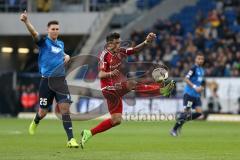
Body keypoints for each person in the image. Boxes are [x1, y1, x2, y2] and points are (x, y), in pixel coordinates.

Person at [80, 32, 175, 148]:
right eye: (117, 42)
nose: (119, 44)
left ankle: (88, 133)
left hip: (116, 90)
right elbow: (100, 74)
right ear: (110, 44)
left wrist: (146, 42)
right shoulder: (104, 55)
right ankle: (161, 91)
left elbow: (134, 50)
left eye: (120, 42)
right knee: (131, 84)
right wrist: (110, 73)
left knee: (116, 120)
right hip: (108, 89)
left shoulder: (120, 51)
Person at [20, 10, 79, 148]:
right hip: (46, 81)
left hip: (60, 80)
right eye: (53, 29)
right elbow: (34, 33)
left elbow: (60, 52)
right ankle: (36, 120)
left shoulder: (60, 44)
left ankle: (71, 139)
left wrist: (67, 56)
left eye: (57, 29)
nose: (55, 31)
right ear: (48, 30)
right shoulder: (43, 42)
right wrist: (26, 21)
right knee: (43, 111)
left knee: (65, 108)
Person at [170, 53, 205, 136]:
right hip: (189, 94)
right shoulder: (193, 68)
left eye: (202, 59)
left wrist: (201, 88)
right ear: (195, 60)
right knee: (186, 112)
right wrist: (195, 87)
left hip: (196, 95)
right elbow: (185, 79)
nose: (200, 60)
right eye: (199, 59)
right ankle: (174, 130)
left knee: (199, 113)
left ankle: (181, 121)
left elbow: (200, 82)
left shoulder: (202, 70)